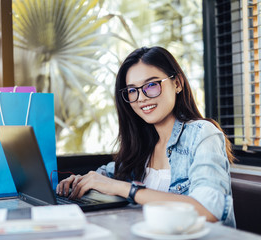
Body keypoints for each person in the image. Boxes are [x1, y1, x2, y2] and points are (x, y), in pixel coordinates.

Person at [56, 46, 236, 227]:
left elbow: (209, 210)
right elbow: (107, 174)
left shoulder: (202, 134)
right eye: (132, 91)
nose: (141, 98)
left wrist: (126, 189)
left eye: (151, 85)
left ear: (177, 83)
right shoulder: (142, 145)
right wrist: (82, 181)